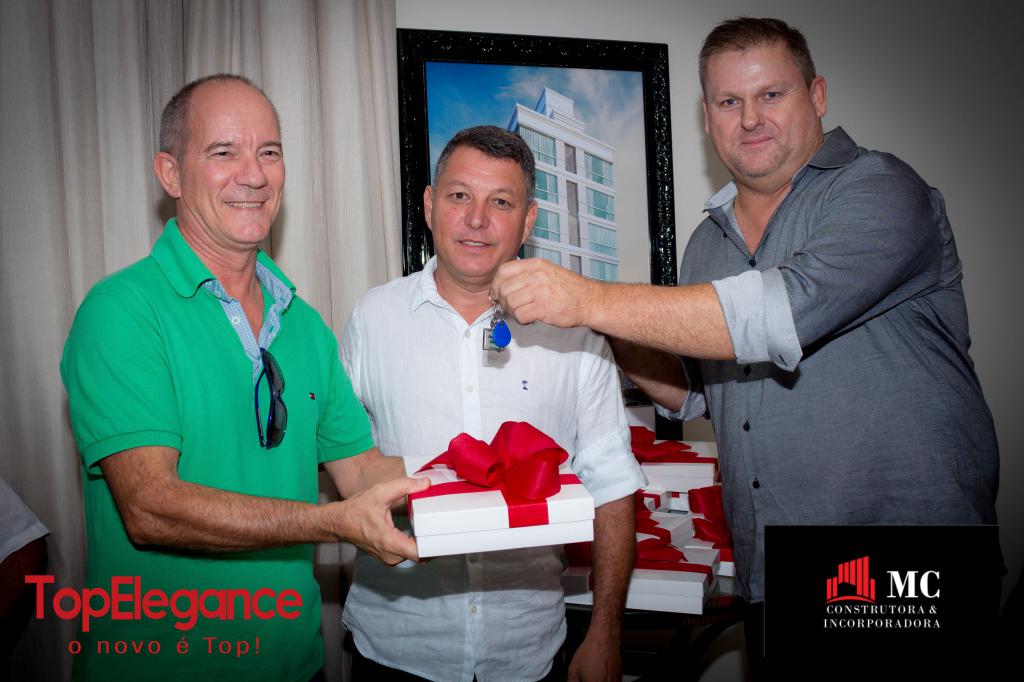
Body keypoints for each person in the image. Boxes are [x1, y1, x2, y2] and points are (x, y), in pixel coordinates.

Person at [491, 16, 999, 666]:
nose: (751, 118)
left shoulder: (880, 189)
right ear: (708, 117)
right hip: (772, 557)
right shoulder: (707, 244)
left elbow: (781, 313)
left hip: (907, 556)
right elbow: (694, 394)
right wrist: (594, 323)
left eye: (771, 94)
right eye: (730, 101)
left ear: (817, 96)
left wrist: (586, 297)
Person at [60, 74, 427, 681]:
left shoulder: (305, 325)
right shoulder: (121, 312)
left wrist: (471, 480)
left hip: (298, 666)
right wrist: (331, 522)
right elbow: (151, 508)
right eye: (224, 152)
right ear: (171, 174)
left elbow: (361, 470)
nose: (254, 175)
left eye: (269, 152)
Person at [340, 126, 644, 681]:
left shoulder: (575, 333)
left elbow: (612, 484)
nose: (476, 219)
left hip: (526, 648)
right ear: (430, 205)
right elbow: (343, 465)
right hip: (396, 643)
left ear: (528, 221)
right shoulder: (371, 318)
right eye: (459, 196)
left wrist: (605, 632)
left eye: (500, 202)